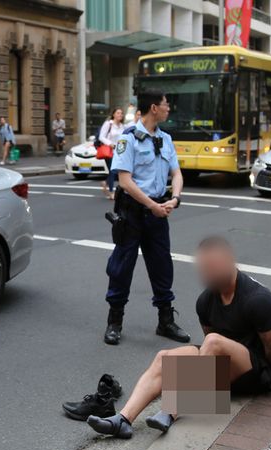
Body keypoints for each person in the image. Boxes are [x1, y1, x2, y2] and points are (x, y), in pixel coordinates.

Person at [89, 236, 271, 439]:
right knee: (164, 357)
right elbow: (210, 348)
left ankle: (171, 410)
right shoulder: (205, 301)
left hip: (255, 375)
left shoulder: (259, 300)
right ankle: (123, 420)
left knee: (213, 342)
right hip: (224, 372)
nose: (210, 271)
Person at [104, 92, 189, 346]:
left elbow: (177, 173)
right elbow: (125, 181)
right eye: (165, 105)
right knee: (121, 268)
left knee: (162, 265)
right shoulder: (128, 138)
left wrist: (175, 198)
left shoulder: (166, 139)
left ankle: (165, 321)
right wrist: (152, 205)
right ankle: (114, 322)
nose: (168, 109)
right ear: (154, 108)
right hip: (132, 213)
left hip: (158, 213)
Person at [98, 107, 125, 199]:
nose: (120, 115)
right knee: (112, 171)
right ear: (113, 114)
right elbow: (101, 137)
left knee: (115, 171)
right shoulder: (108, 124)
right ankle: (111, 192)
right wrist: (110, 144)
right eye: (118, 113)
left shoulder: (122, 126)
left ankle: (106, 182)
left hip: (119, 152)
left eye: (121, 113)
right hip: (109, 151)